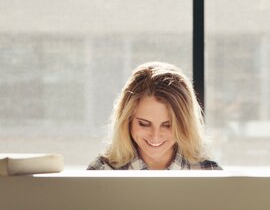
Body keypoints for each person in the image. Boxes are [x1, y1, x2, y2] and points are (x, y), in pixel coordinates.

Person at [88, 61, 221, 170]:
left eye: (168, 125)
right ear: (127, 120)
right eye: (144, 124)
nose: (155, 136)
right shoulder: (101, 171)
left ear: (184, 124)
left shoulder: (210, 173)